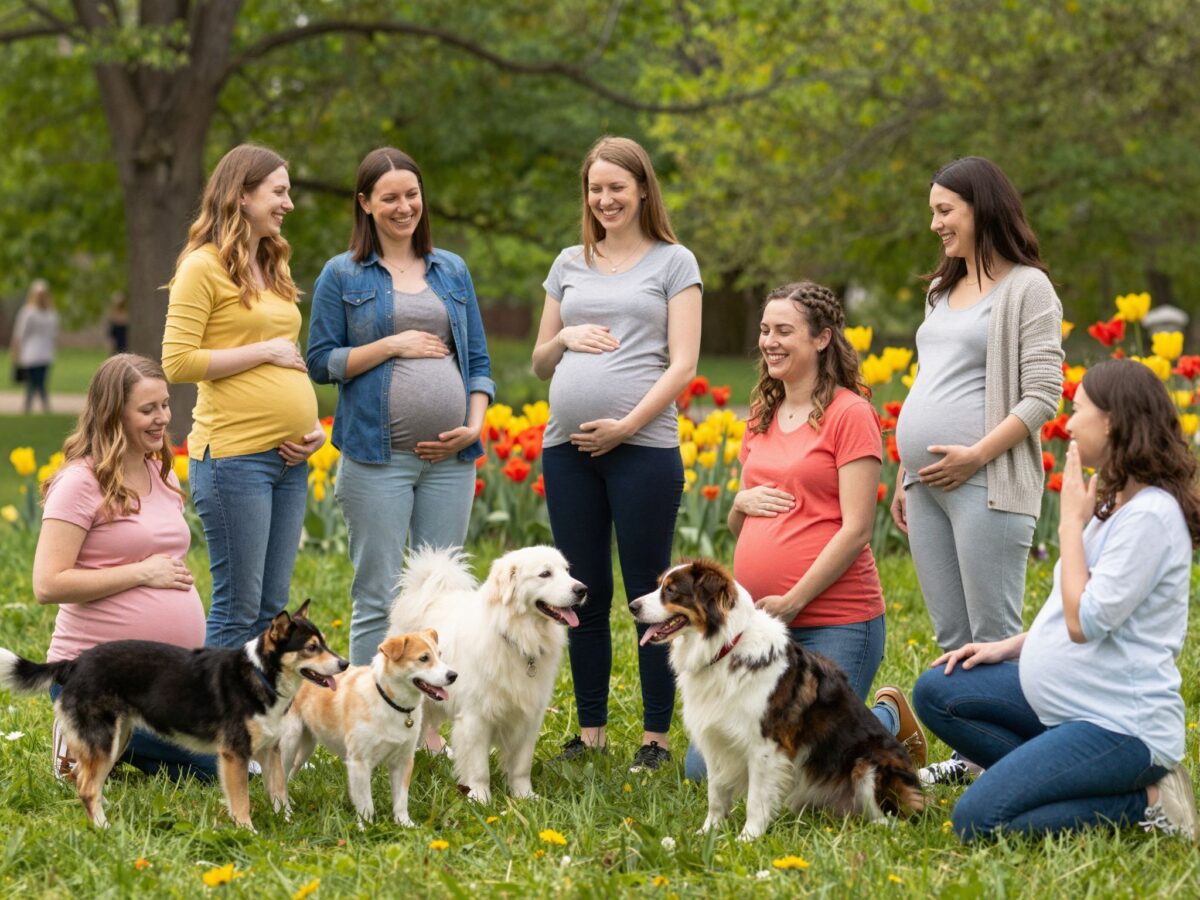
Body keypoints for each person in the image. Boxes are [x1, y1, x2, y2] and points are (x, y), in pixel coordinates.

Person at [913, 359, 1200, 843]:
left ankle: (1151, 802)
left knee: (977, 820)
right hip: (1071, 706)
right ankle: (1050, 770)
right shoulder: (1117, 504)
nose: (1067, 422)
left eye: (1078, 408)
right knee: (937, 691)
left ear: (1111, 421)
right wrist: (1008, 647)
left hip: (1120, 727)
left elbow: (1083, 620)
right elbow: (1077, 606)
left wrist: (1069, 523)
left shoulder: (1150, 517)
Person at [684, 282, 926, 782]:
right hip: (761, 624)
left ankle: (885, 722)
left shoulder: (850, 415)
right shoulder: (761, 416)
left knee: (805, 761)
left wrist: (793, 599)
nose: (769, 341)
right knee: (704, 767)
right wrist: (737, 505)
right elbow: (741, 524)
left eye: (784, 331)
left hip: (838, 619)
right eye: (765, 330)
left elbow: (858, 529)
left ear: (821, 339)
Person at [532, 135, 702, 772]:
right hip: (566, 449)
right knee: (584, 592)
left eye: (617, 188)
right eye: (595, 189)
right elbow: (540, 358)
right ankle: (591, 730)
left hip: (644, 448)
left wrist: (625, 426)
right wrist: (566, 335)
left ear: (641, 190)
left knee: (649, 590)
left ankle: (655, 740)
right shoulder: (568, 263)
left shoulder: (674, 263)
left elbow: (683, 364)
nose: (605, 199)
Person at [891, 156, 1063, 784]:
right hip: (927, 484)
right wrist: (903, 473)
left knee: (994, 635)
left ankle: (1034, 762)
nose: (935, 223)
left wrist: (975, 455)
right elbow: (931, 380)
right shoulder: (942, 289)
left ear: (981, 208)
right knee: (951, 633)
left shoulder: (1027, 288)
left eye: (945, 210)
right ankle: (974, 757)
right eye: (933, 210)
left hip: (988, 482)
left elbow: (1044, 394)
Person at [306, 147, 494, 675]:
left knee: (441, 593)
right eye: (390, 197)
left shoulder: (451, 270)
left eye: (412, 195)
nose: (404, 206)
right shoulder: (342, 275)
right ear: (365, 203)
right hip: (376, 458)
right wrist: (393, 344)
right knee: (379, 593)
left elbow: (477, 361)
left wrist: (472, 427)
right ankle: (368, 714)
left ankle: (429, 722)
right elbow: (320, 361)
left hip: (451, 461)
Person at [162, 144, 325, 649]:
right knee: (238, 611)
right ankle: (214, 725)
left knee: (271, 612)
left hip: (288, 461)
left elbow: (286, 359)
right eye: (279, 192)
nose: (288, 204)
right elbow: (177, 361)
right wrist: (264, 352)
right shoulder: (202, 267)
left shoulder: (272, 263)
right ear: (242, 195)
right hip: (234, 458)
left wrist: (314, 429)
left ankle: (254, 728)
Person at [32, 353, 215, 781]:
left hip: (167, 679)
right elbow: (47, 583)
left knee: (231, 756)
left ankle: (110, 746)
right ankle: (80, 734)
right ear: (114, 412)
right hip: (97, 679)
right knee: (219, 760)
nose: (162, 418)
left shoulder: (162, 473)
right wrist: (142, 574)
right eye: (147, 409)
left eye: (165, 405)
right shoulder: (80, 481)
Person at [10, 279, 58, 413]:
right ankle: (38, 407)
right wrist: (16, 351)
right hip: (32, 353)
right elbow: (20, 334)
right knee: (35, 383)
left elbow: (53, 335)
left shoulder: (50, 313)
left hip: (44, 354)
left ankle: (32, 407)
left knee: (38, 382)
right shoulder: (29, 312)